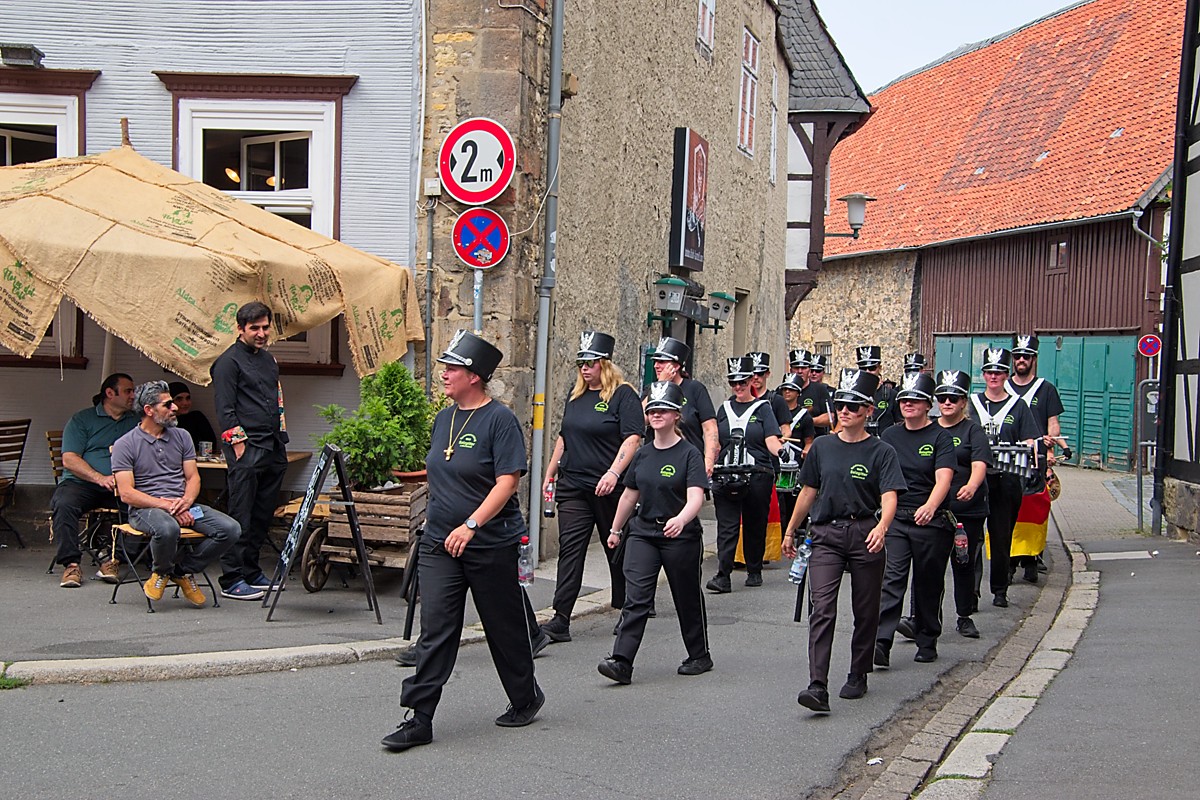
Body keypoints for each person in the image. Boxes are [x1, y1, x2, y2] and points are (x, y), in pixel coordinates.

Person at [383, 330, 543, 752]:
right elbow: (443, 468)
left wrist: (471, 524)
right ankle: (419, 718)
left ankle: (525, 697)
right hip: (439, 541)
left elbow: (507, 481)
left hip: (489, 541)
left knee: (503, 628)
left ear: (475, 376)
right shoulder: (444, 419)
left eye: (452, 369)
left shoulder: (500, 420)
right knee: (436, 629)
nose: (444, 375)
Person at [784, 369, 906, 713]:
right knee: (822, 608)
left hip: (865, 531)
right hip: (826, 534)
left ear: (868, 410)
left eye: (853, 405)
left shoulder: (882, 451)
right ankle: (817, 684)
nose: (845, 411)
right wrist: (792, 530)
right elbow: (809, 490)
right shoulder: (822, 447)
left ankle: (858, 671)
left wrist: (883, 527)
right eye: (841, 405)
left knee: (866, 609)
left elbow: (890, 495)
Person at [597, 381, 711, 684]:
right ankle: (621, 661)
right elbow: (629, 495)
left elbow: (696, 496)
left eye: (663, 409)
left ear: (676, 415)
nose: (656, 414)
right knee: (636, 597)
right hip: (643, 533)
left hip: (680, 537)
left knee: (685, 596)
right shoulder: (644, 454)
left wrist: (682, 519)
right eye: (652, 409)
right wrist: (616, 529)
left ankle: (699, 654)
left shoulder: (689, 454)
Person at [539, 331, 643, 644]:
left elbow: (633, 438)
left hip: (608, 486)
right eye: (581, 363)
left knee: (616, 546)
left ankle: (626, 607)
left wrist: (613, 473)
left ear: (605, 364)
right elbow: (564, 436)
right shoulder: (576, 396)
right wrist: (550, 472)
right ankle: (561, 618)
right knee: (570, 549)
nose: (585, 369)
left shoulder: (623, 396)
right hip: (574, 485)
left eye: (591, 363)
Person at [111, 381, 240, 606]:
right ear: (149, 410)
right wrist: (168, 506)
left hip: (183, 505)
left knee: (230, 529)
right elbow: (127, 494)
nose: (175, 408)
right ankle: (160, 571)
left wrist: (186, 502)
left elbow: (193, 478)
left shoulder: (182, 436)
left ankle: (181, 571)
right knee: (167, 528)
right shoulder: (125, 444)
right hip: (146, 510)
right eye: (168, 404)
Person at [875, 372, 956, 666]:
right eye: (905, 400)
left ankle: (927, 637)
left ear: (927, 405)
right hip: (897, 517)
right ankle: (881, 642)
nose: (909, 404)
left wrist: (931, 506)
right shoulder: (890, 436)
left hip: (929, 521)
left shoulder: (940, 437)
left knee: (927, 582)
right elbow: (881, 476)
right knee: (891, 579)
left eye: (916, 400)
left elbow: (944, 478)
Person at [211, 301, 288, 601]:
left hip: (273, 445)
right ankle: (231, 577)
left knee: (261, 514)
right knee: (240, 514)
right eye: (254, 328)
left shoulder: (268, 360)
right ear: (240, 329)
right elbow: (225, 408)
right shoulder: (228, 362)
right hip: (247, 447)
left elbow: (277, 399)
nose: (261, 333)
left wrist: (281, 435)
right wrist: (238, 445)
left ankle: (251, 570)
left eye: (265, 327)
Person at [968, 347, 1039, 609]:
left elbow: (1030, 439)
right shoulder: (972, 404)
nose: (994, 376)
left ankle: (999, 590)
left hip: (1007, 480)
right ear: (983, 375)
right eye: (989, 371)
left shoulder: (1018, 406)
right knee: (971, 538)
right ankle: (970, 593)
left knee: (1000, 537)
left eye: (998, 371)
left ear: (1006, 375)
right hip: (976, 479)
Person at [51, 373, 138, 588]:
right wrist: (100, 478)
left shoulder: (136, 421)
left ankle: (113, 560)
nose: (133, 396)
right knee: (63, 504)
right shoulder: (82, 419)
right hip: (83, 483)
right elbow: (70, 459)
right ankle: (71, 564)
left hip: (123, 485)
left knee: (145, 506)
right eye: (128, 391)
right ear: (110, 393)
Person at [706, 356, 783, 593]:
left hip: (757, 474)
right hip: (726, 473)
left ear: (751, 381)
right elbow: (715, 441)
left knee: (754, 523)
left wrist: (781, 451)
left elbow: (771, 438)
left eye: (742, 382)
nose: (738, 387)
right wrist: (708, 463)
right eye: (733, 383)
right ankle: (723, 575)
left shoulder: (764, 409)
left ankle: (754, 568)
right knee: (727, 526)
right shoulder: (724, 408)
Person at [934, 369, 991, 638]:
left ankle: (964, 615)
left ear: (963, 402)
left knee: (964, 563)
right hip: (936, 509)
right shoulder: (930, 429)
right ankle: (924, 617)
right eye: (943, 397)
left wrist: (972, 485)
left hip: (967, 509)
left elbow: (979, 464)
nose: (947, 403)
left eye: (953, 398)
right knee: (930, 565)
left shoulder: (972, 430)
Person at [1006, 334, 1066, 583]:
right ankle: (1009, 560)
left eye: (1026, 356)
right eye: (1017, 356)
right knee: (1010, 509)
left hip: (1036, 458)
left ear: (1033, 359)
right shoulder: (1003, 388)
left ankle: (1032, 557)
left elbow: (1053, 424)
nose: (1021, 360)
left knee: (1035, 509)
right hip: (1008, 459)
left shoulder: (1046, 388)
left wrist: (1050, 454)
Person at [648, 337, 719, 475]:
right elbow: (640, 420)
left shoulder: (695, 389)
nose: (656, 365)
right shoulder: (651, 389)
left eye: (662, 361)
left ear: (676, 365)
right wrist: (661, 385)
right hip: (656, 461)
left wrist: (708, 460)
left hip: (688, 463)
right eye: (655, 361)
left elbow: (709, 427)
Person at [775, 372, 815, 529]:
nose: (787, 392)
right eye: (784, 389)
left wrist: (806, 450)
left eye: (791, 389)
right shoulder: (774, 411)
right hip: (778, 459)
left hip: (795, 462)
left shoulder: (804, 416)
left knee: (792, 499)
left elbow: (809, 442)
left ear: (798, 393)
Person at [746, 351, 793, 440]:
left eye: (760, 374)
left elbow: (786, 429)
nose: (755, 377)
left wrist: (781, 439)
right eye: (752, 374)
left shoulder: (777, 400)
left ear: (767, 374)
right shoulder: (736, 400)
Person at [857, 345, 899, 435]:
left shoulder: (892, 395)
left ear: (879, 368)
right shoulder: (854, 395)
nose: (867, 372)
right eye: (863, 369)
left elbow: (900, 423)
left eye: (872, 368)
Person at [167, 381, 217, 449]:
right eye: (179, 399)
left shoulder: (196, 418)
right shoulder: (164, 422)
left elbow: (211, 444)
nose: (185, 403)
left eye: (188, 398)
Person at [796, 350, 833, 436]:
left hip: (816, 438)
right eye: (796, 368)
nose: (800, 371)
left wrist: (807, 421)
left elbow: (830, 417)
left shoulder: (821, 389)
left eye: (804, 368)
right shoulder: (782, 390)